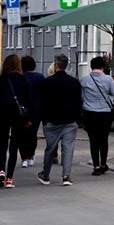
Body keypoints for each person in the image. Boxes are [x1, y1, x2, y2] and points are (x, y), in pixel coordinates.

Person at [0, 54, 34, 188]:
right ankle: (9, 178)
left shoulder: (1, 80)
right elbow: (28, 101)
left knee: (2, 145)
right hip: (18, 116)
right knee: (14, 146)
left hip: (3, 114)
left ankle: (1, 171)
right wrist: (28, 118)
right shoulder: (23, 80)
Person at [36, 55, 82, 186]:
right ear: (66, 66)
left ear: (56, 66)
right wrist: (78, 120)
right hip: (70, 121)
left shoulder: (47, 83)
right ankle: (66, 176)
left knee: (50, 149)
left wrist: (43, 120)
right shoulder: (74, 82)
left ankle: (45, 175)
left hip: (52, 121)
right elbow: (78, 103)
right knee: (68, 148)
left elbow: (42, 103)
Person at [79, 55, 114, 177]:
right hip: (105, 113)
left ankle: (95, 166)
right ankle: (103, 164)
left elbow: (81, 97)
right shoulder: (108, 79)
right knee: (103, 139)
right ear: (102, 67)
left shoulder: (84, 79)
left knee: (93, 139)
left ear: (91, 67)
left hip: (89, 113)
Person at [18, 55, 46, 166]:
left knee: (22, 134)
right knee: (33, 133)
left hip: (22, 111)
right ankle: (31, 154)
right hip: (37, 110)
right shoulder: (40, 77)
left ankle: (24, 157)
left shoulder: (20, 77)